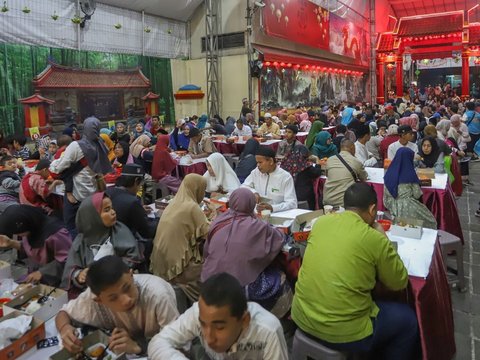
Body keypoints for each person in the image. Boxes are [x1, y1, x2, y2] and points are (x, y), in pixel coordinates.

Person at [292, 183, 417, 360]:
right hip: (344, 331)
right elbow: (399, 282)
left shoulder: (321, 223)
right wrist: (383, 237)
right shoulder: (374, 238)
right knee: (408, 320)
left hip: (302, 316)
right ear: (373, 209)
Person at [148, 272, 289, 360]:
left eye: (219, 327)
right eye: (202, 325)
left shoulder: (268, 330)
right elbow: (158, 342)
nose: (209, 338)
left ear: (244, 320)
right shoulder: (199, 312)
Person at [56, 256, 178, 356]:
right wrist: (65, 328)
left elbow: (177, 345)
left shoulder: (158, 295)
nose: (126, 300)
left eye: (127, 288)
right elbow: (64, 313)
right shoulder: (92, 297)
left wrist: (138, 347)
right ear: (99, 300)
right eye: (113, 298)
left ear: (131, 275)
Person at [201, 188, 291, 317]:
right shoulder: (258, 226)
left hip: (210, 279)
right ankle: (274, 319)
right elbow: (279, 238)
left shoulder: (218, 221)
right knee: (278, 278)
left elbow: (206, 251)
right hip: (238, 286)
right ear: (251, 204)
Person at [61, 192, 141, 295]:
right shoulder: (81, 240)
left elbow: (132, 258)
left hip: (117, 286)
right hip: (90, 292)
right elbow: (71, 267)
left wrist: (107, 270)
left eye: (112, 208)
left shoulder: (119, 232)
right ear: (92, 216)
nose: (113, 212)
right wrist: (79, 274)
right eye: (107, 210)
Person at [50, 117, 112, 238]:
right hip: (92, 192)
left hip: (75, 193)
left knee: (71, 225)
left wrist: (52, 164)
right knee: (90, 224)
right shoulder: (100, 145)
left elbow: (57, 168)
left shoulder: (76, 146)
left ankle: (78, 250)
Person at [150, 174, 209, 302]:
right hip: (177, 268)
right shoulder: (192, 207)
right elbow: (208, 233)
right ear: (197, 189)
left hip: (160, 263)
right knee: (213, 271)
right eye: (203, 190)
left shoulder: (174, 203)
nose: (203, 194)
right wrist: (214, 213)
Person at [0, 205, 71, 286]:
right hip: (36, 278)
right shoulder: (32, 229)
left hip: (57, 281)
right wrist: (12, 243)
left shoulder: (56, 233)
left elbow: (68, 260)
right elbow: (33, 250)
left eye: (18, 232)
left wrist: (42, 272)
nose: (18, 235)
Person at [384, 147, 437, 229]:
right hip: (408, 206)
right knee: (431, 221)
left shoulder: (388, 174)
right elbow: (417, 194)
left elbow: (385, 197)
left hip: (393, 206)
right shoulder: (410, 175)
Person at [106, 164, 157, 242]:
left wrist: (139, 210)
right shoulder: (132, 202)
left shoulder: (108, 192)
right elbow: (148, 232)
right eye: (140, 183)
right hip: (124, 243)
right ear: (136, 181)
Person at [242, 147, 297, 213]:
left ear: (271, 161)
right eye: (257, 162)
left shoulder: (285, 177)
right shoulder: (256, 172)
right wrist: (253, 192)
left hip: (278, 214)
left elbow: (292, 203)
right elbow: (244, 186)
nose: (258, 165)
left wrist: (273, 208)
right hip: (258, 213)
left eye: (260, 162)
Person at [323, 139, 368, 207]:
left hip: (327, 200)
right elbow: (364, 178)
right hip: (344, 202)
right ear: (352, 148)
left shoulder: (330, 160)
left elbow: (327, 174)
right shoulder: (356, 162)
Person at [281, 145, 322, 210]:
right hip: (303, 197)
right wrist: (317, 161)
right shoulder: (304, 166)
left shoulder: (285, 163)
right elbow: (317, 172)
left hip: (287, 195)